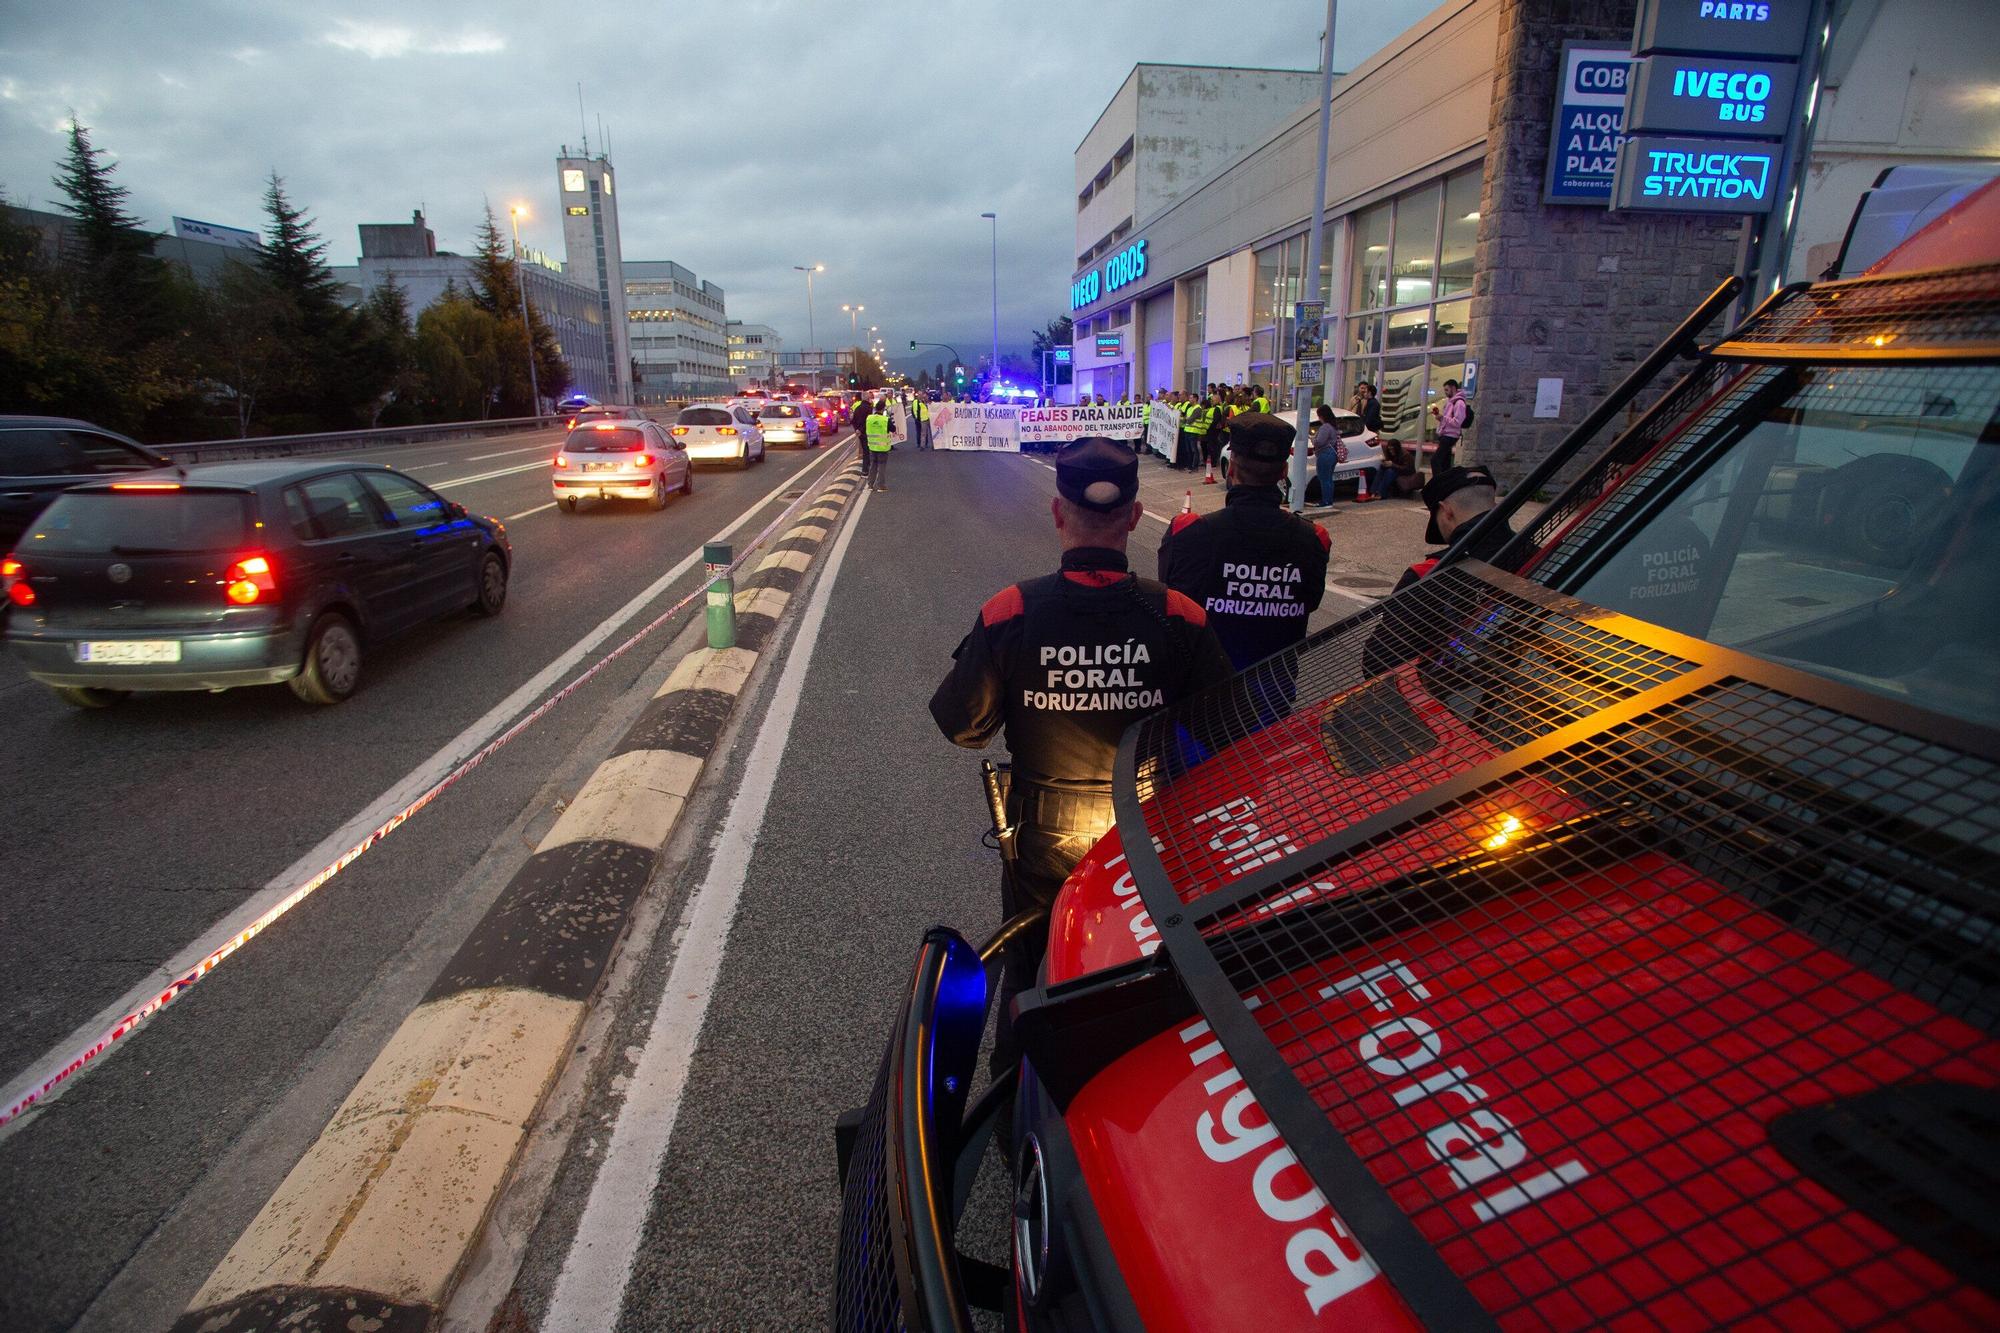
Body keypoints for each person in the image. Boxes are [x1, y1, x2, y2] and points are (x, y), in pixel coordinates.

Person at [931, 438, 1231, 1071]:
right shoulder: (1180, 615)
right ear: (1134, 516)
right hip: (1146, 832)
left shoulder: (1012, 611)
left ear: (1056, 512)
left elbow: (963, 727)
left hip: (1042, 839)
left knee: (1031, 975)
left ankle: (1019, 1097)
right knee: (1144, 967)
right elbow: (1227, 733)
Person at [1160, 411, 1330, 672]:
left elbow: (1169, 600)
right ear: (1284, 471)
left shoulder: (1189, 533)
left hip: (1205, 686)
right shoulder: (1314, 539)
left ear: (1231, 469)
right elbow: (1311, 601)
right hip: (1276, 685)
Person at [1428, 379, 1468, 475]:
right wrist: (1441, 418)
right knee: (1445, 464)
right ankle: (1446, 481)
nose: (1445, 393)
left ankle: (1438, 483)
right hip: (1446, 435)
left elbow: (1457, 422)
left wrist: (1443, 418)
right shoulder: (1451, 402)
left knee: (1435, 460)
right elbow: (1448, 419)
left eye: (1446, 390)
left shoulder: (1459, 403)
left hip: (1450, 436)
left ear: (1453, 388)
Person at [1310, 402, 1344, 509]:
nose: (1318, 418)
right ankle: (1329, 501)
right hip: (1332, 454)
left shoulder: (1325, 427)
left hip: (1325, 454)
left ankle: (1326, 502)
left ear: (1322, 416)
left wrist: (1313, 439)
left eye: (1319, 416)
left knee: (1324, 478)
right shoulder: (1333, 426)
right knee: (1328, 478)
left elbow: (1319, 442)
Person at [863, 398, 895, 492]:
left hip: (872, 446)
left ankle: (870, 485)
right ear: (883, 409)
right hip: (882, 447)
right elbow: (893, 429)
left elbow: (865, 428)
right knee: (881, 466)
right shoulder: (885, 420)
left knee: (873, 465)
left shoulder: (869, 418)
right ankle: (881, 486)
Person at [850, 396, 875, 479]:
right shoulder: (869, 408)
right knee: (867, 451)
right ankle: (865, 471)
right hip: (867, 432)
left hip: (860, 433)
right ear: (868, 399)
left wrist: (857, 430)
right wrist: (861, 429)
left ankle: (867, 468)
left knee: (865, 450)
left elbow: (853, 420)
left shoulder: (857, 408)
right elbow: (868, 421)